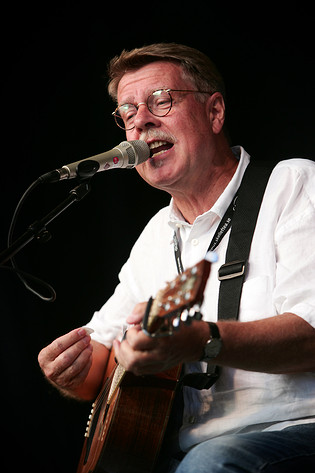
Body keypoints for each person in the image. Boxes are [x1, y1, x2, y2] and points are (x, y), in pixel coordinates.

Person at [38, 43, 315, 472]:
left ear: (215, 112)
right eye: (127, 113)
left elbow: (312, 333)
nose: (141, 120)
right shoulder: (155, 237)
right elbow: (98, 362)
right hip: (184, 454)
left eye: (160, 101)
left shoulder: (294, 184)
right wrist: (68, 373)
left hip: (293, 429)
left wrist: (199, 339)